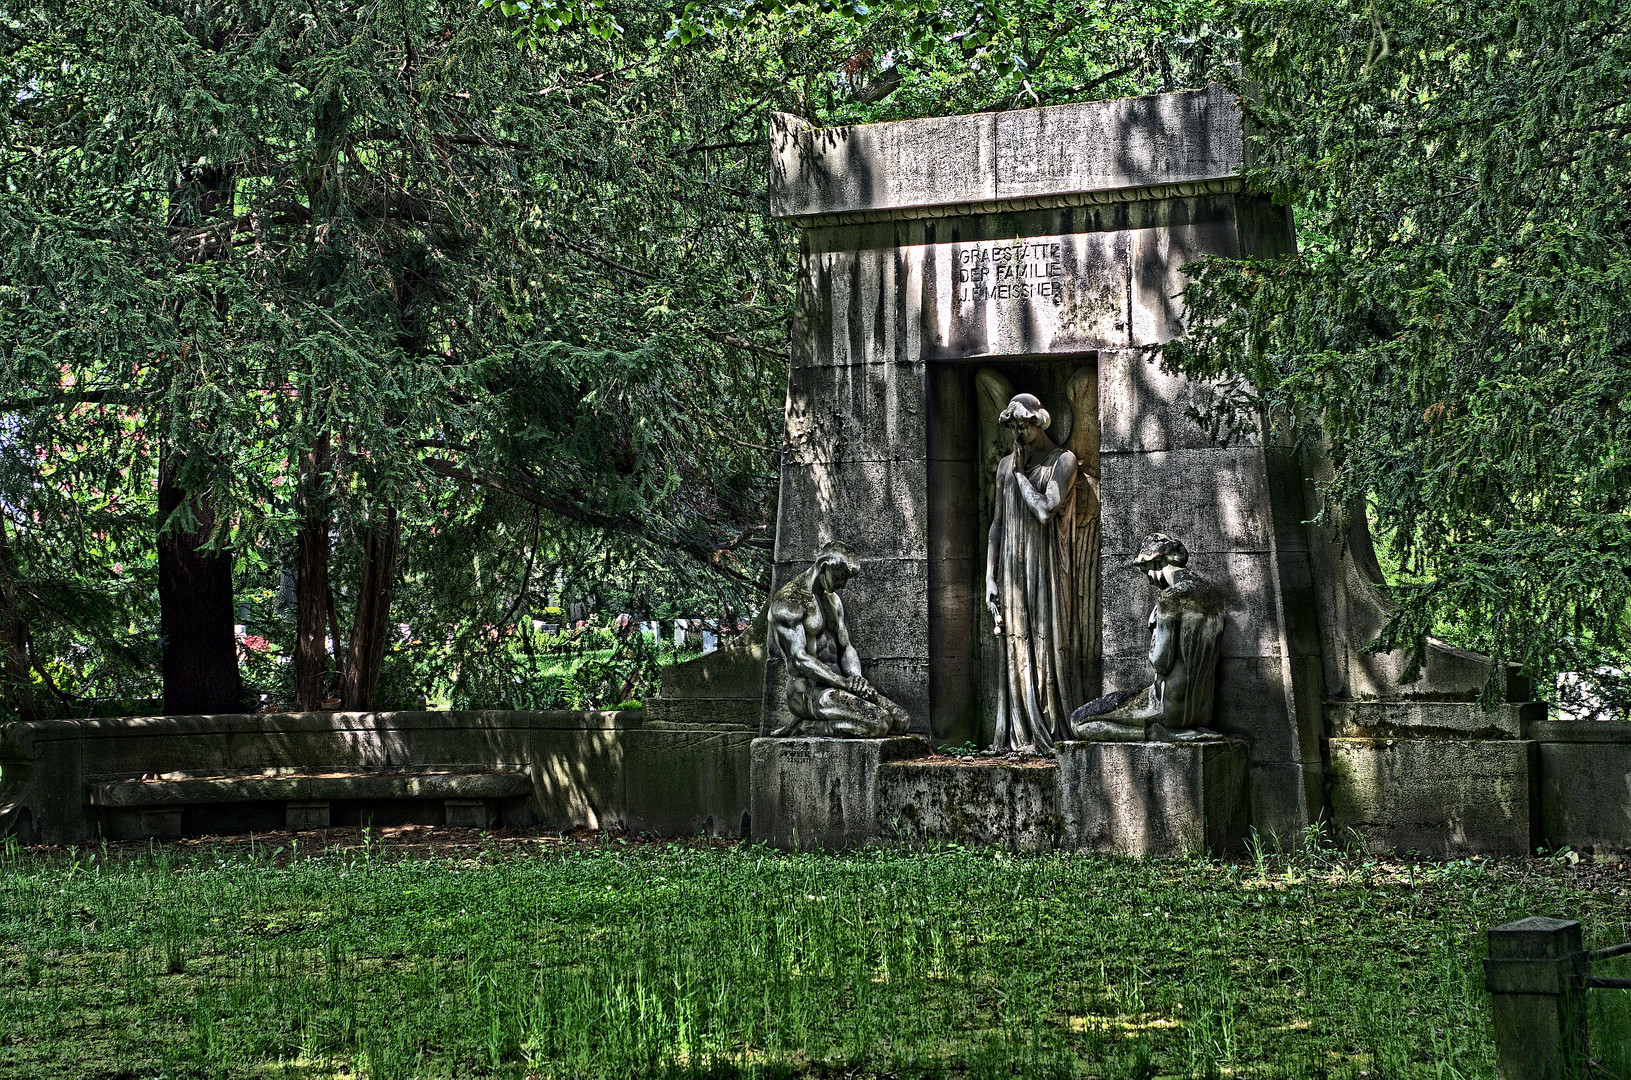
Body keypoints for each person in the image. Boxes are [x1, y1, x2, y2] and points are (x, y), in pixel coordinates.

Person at [985, 393, 1079, 754]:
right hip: (1011, 569)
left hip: (1043, 567)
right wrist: (990, 576)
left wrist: (1023, 476)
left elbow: (1044, 510)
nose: (1018, 432)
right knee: (1016, 644)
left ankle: (1049, 726)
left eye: (1024, 425)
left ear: (1040, 422)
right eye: (1012, 426)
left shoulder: (1063, 461)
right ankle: (1017, 732)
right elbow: (996, 524)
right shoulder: (1005, 466)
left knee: (1041, 644)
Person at [768, 541, 910, 738]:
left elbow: (846, 647)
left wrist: (856, 678)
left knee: (900, 720)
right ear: (825, 567)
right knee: (878, 723)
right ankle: (806, 727)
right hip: (806, 692)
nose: (843, 585)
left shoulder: (832, 599)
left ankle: (825, 718)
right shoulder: (789, 603)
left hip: (840, 686)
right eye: (841, 577)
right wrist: (843, 683)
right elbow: (799, 659)